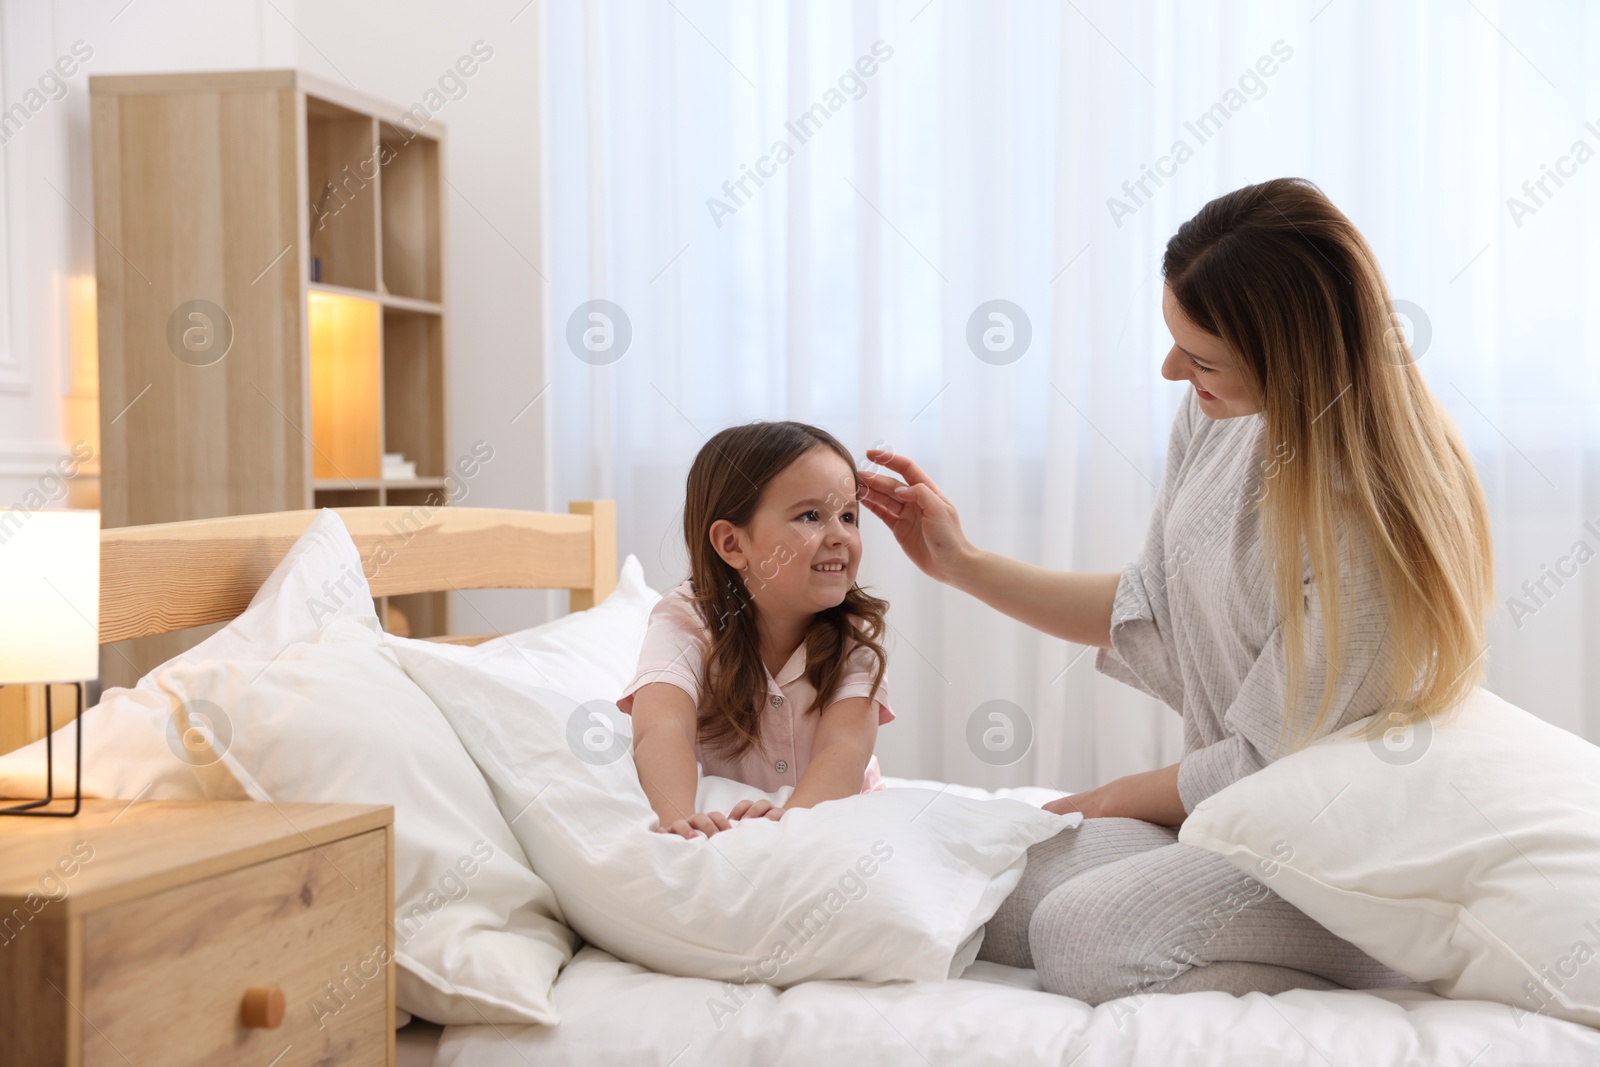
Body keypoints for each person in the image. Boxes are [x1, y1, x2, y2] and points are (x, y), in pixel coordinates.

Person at [858, 177, 1495, 1002]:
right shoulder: (1220, 415)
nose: (1170, 370)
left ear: (1291, 359)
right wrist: (961, 562)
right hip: (1241, 824)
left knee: (1079, 936)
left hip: (1343, 851)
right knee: (996, 893)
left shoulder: (1371, 526)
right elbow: (1149, 611)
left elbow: (1276, 765)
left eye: (1199, 357)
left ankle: (1394, 966)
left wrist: (1117, 798)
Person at [619, 420, 893, 840]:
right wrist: (677, 819)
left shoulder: (855, 635)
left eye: (848, 516)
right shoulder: (686, 621)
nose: (840, 535)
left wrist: (793, 823)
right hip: (727, 819)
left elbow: (845, 748)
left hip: (832, 817)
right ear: (733, 544)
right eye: (810, 516)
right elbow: (662, 728)